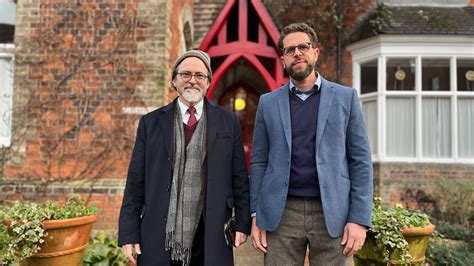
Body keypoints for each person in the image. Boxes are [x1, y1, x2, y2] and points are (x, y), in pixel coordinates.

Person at [249, 23, 373, 265]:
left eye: (303, 47)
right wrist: (256, 214)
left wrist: (358, 218)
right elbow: (259, 161)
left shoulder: (345, 99)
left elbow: (360, 161)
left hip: (333, 212)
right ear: (283, 59)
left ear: (315, 52)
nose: (297, 53)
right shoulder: (268, 103)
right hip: (281, 214)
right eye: (289, 50)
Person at [118, 50, 251, 266]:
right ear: (174, 81)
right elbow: (135, 181)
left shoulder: (228, 122)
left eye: (200, 76)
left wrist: (243, 223)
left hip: (212, 228)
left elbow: (239, 178)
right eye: (185, 74)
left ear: (208, 83)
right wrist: (128, 233)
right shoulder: (150, 123)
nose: (192, 80)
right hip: (159, 229)